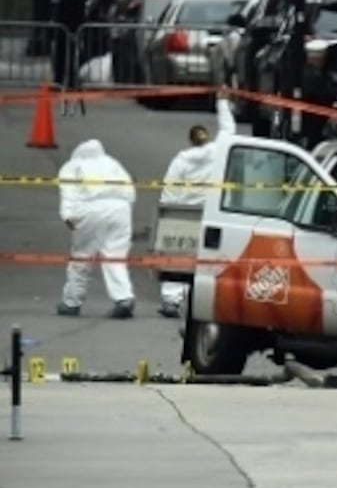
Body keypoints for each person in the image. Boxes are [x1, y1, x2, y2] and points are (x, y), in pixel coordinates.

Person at [157, 93, 237, 317]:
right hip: (212, 213)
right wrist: (222, 102)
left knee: (179, 257)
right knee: (211, 258)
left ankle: (172, 299)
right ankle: (208, 299)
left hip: (185, 213)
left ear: (191, 141)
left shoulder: (181, 160)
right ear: (207, 137)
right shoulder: (218, 151)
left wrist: (167, 212)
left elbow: (170, 188)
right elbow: (229, 128)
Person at [56, 139, 137, 319]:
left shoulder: (72, 166)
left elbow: (68, 192)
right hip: (120, 210)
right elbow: (130, 191)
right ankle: (123, 298)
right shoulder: (113, 163)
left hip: (89, 209)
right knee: (115, 257)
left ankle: (72, 301)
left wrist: (67, 216)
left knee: (81, 256)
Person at [47, 0, 86, 91]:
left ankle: (71, 81)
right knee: (59, 54)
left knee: (70, 54)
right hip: (60, 26)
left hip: (72, 26)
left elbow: (74, 5)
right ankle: (58, 80)